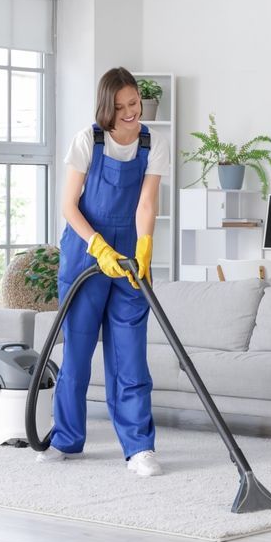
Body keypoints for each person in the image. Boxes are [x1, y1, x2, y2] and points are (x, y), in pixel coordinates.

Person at [35, 67, 169, 477]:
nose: (131, 113)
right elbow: (68, 205)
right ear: (106, 106)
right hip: (84, 254)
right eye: (121, 106)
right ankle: (66, 439)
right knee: (76, 354)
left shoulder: (153, 143)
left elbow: (146, 203)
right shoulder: (88, 141)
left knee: (130, 356)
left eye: (135, 104)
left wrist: (144, 246)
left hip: (128, 257)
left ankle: (139, 448)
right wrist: (97, 246)